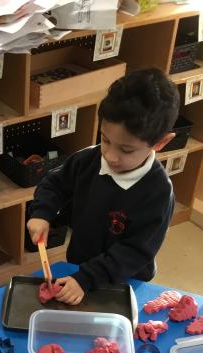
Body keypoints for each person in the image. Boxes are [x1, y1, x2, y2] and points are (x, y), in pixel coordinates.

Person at [27, 68, 180, 305]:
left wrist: (87, 278)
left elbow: (136, 251)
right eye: (105, 139)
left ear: (161, 142)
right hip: (80, 266)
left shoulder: (158, 193)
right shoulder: (88, 159)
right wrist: (42, 213)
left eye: (126, 150)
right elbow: (54, 183)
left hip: (125, 279)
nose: (109, 155)